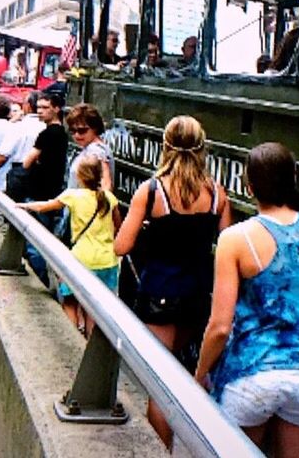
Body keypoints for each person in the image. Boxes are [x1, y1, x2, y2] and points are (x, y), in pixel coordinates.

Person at [195, 142, 299, 458]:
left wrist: (200, 372)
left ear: (249, 186)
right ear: (294, 178)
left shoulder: (235, 239)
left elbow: (219, 326)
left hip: (252, 374)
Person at [114, 115, 232, 449]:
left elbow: (121, 246)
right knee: (185, 377)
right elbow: (225, 246)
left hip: (159, 295)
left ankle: (162, 451)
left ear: (165, 146)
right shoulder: (217, 194)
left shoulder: (152, 190)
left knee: (160, 385)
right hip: (198, 297)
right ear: (202, 147)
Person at [18, 155, 122, 336]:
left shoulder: (73, 195)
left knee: (70, 301)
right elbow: (118, 227)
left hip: (81, 260)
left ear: (80, 176)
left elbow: (45, 207)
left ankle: (73, 340)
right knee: (95, 309)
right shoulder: (109, 198)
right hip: (107, 261)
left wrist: (22, 206)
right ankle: (90, 344)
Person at [20, 92, 69, 285]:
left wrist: (37, 160)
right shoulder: (63, 134)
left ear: (56, 109)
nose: (39, 112)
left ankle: (43, 282)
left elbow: (26, 162)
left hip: (38, 194)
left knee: (34, 243)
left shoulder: (47, 133)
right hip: (53, 193)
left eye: (44, 108)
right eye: (38, 107)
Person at [66, 103, 113, 191]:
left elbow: (106, 184)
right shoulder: (91, 148)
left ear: (95, 128)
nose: (76, 135)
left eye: (82, 130)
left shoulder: (97, 151)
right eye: (72, 130)